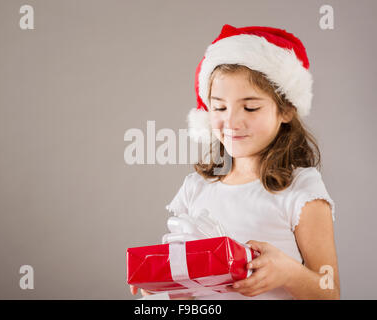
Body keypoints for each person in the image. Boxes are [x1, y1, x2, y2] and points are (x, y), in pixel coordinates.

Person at [130, 24, 340, 300]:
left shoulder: (301, 190)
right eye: (219, 107)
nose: (231, 121)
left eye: (250, 107)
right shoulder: (195, 189)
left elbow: (330, 292)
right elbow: (183, 290)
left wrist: (289, 272)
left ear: (286, 109)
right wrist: (164, 286)